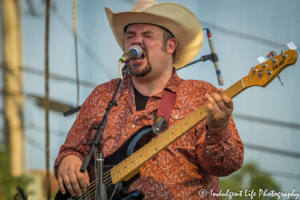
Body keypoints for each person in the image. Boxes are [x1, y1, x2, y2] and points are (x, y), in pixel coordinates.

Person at [54, 0, 244, 199]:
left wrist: (217, 130)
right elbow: (72, 149)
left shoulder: (200, 94)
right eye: (130, 35)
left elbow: (227, 165)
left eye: (147, 35)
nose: (136, 41)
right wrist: (69, 160)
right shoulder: (102, 95)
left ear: (170, 45)